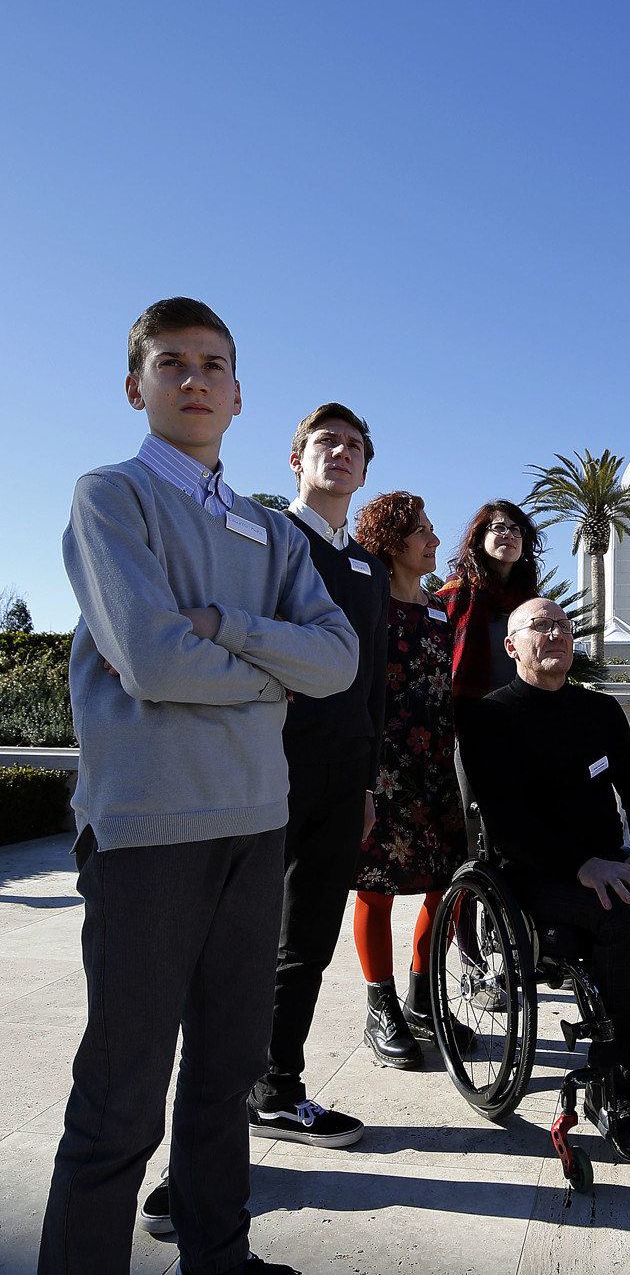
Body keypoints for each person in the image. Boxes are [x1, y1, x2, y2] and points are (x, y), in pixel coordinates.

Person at [41, 298, 359, 1275]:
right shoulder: (111, 498)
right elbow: (151, 658)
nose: (193, 378)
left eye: (212, 364)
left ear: (237, 393)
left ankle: (218, 1256)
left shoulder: (275, 533)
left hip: (257, 828)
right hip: (147, 836)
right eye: (170, 363)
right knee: (122, 1095)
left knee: (225, 1073)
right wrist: (273, 678)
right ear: (135, 386)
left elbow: (339, 659)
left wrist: (228, 625)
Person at [458, 598, 630, 1150]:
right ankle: (615, 1079)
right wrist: (582, 866)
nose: (555, 633)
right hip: (534, 876)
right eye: (539, 626)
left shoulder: (599, 712)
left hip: (610, 863)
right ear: (512, 646)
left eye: (562, 625)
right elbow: (506, 823)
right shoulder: (488, 717)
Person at [243, 404, 390, 1148]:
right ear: (295, 460)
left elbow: (373, 686)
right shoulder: (266, 536)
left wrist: (366, 784)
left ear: (366, 469)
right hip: (265, 764)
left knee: (308, 937)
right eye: (325, 442)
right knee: (236, 939)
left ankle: (278, 1086)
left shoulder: (368, 566)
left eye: (354, 445)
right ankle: (208, 1120)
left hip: (341, 777)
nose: (340, 452)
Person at [352, 491, 471, 1067]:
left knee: (442, 886)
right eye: (421, 530)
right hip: (383, 769)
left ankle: (425, 999)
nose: (433, 539)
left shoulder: (443, 608)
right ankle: (382, 1006)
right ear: (393, 542)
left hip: (435, 769)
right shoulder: (367, 604)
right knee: (374, 889)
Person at [437, 500, 542, 702]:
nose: (509, 534)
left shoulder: (531, 603)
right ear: (479, 536)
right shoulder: (454, 595)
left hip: (522, 712)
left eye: (516, 529)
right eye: (499, 527)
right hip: (467, 713)